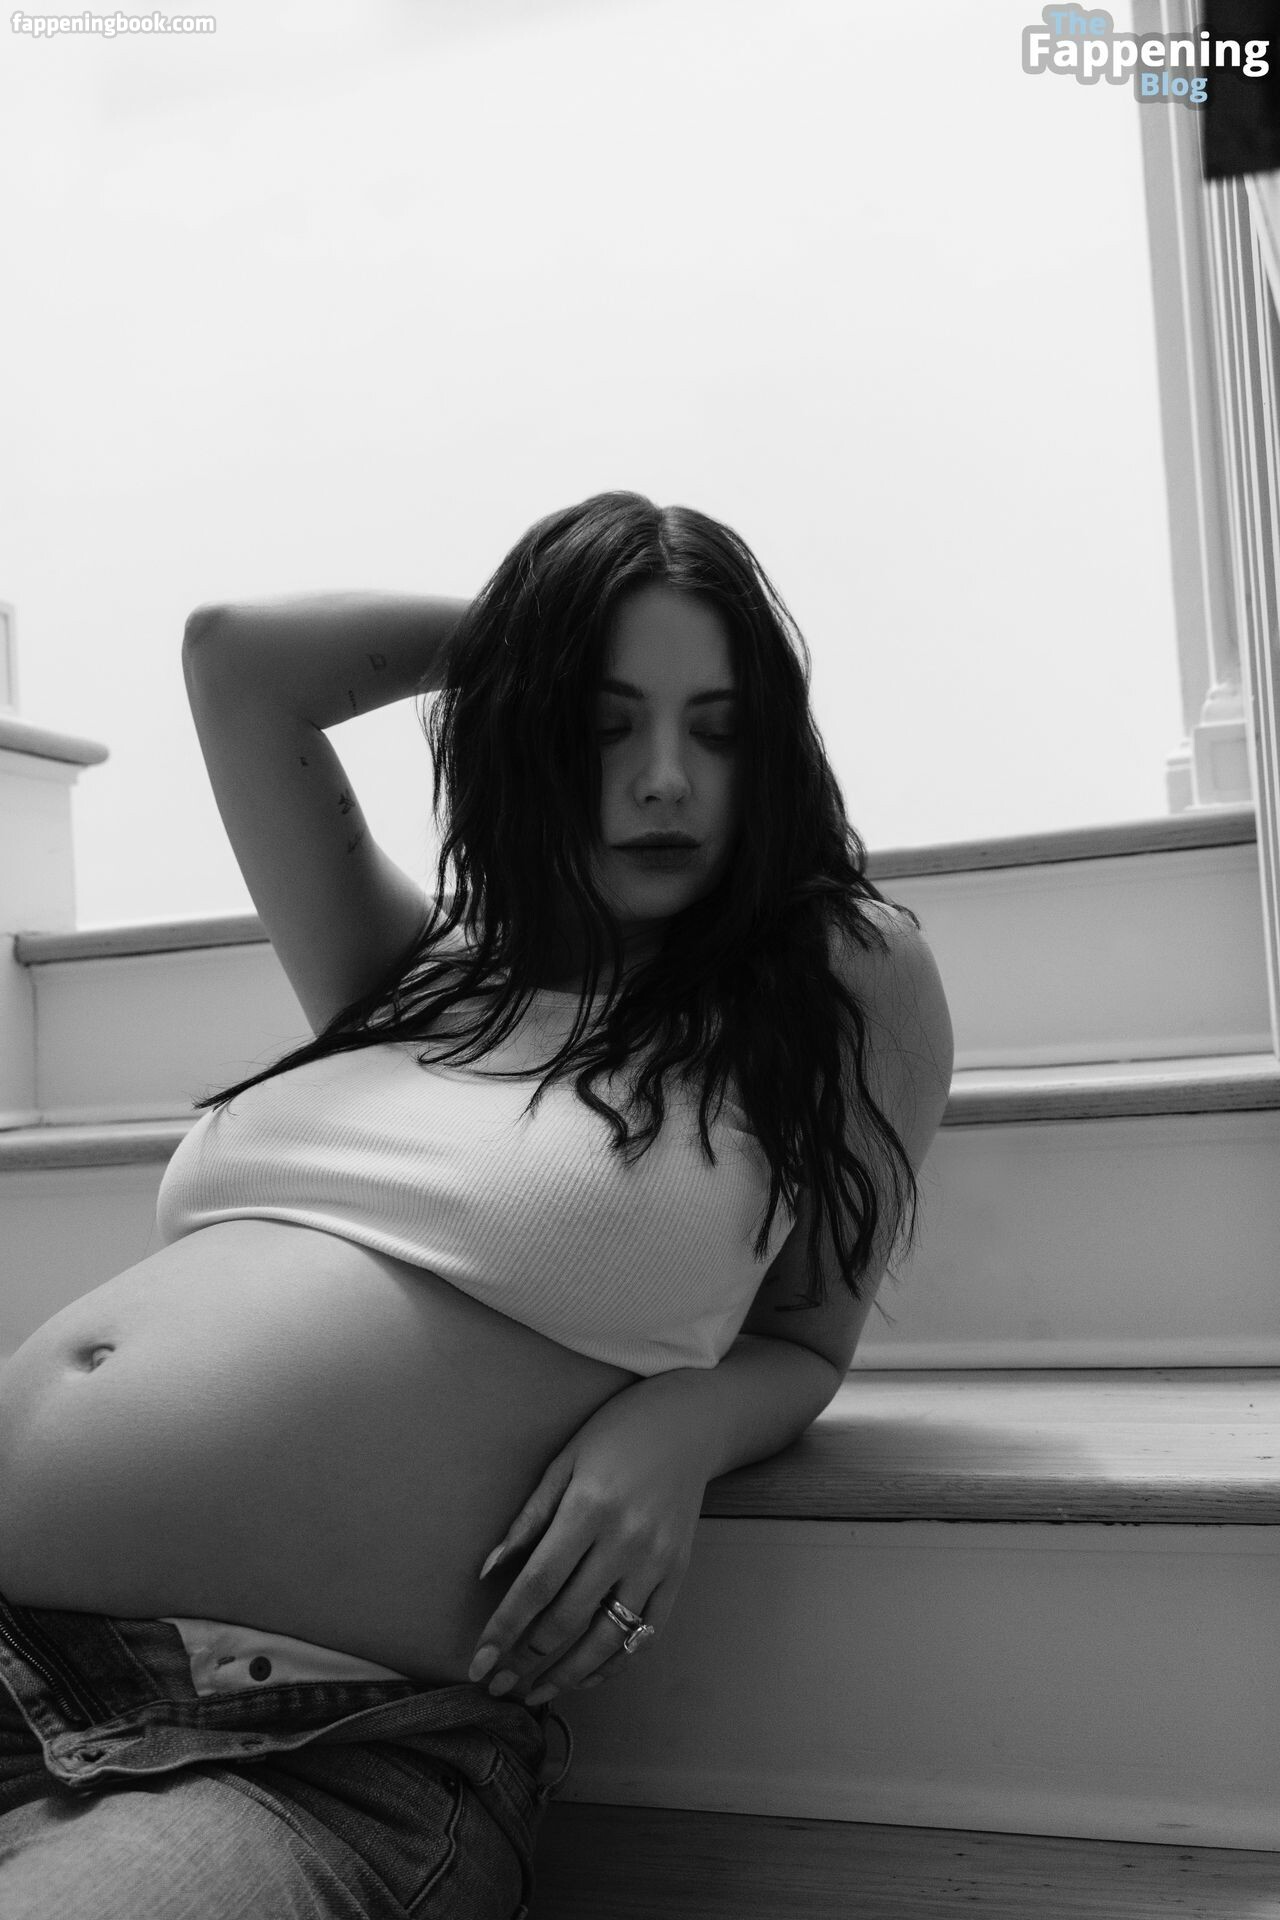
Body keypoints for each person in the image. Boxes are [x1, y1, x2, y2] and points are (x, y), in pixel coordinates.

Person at [0, 490, 953, 1918]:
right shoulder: (410, 979)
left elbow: (809, 1340)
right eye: (606, 723)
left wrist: (679, 1425)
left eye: (716, 727)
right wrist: (538, 641)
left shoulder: (840, 978)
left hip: (308, 1746)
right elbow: (234, 659)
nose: (665, 779)